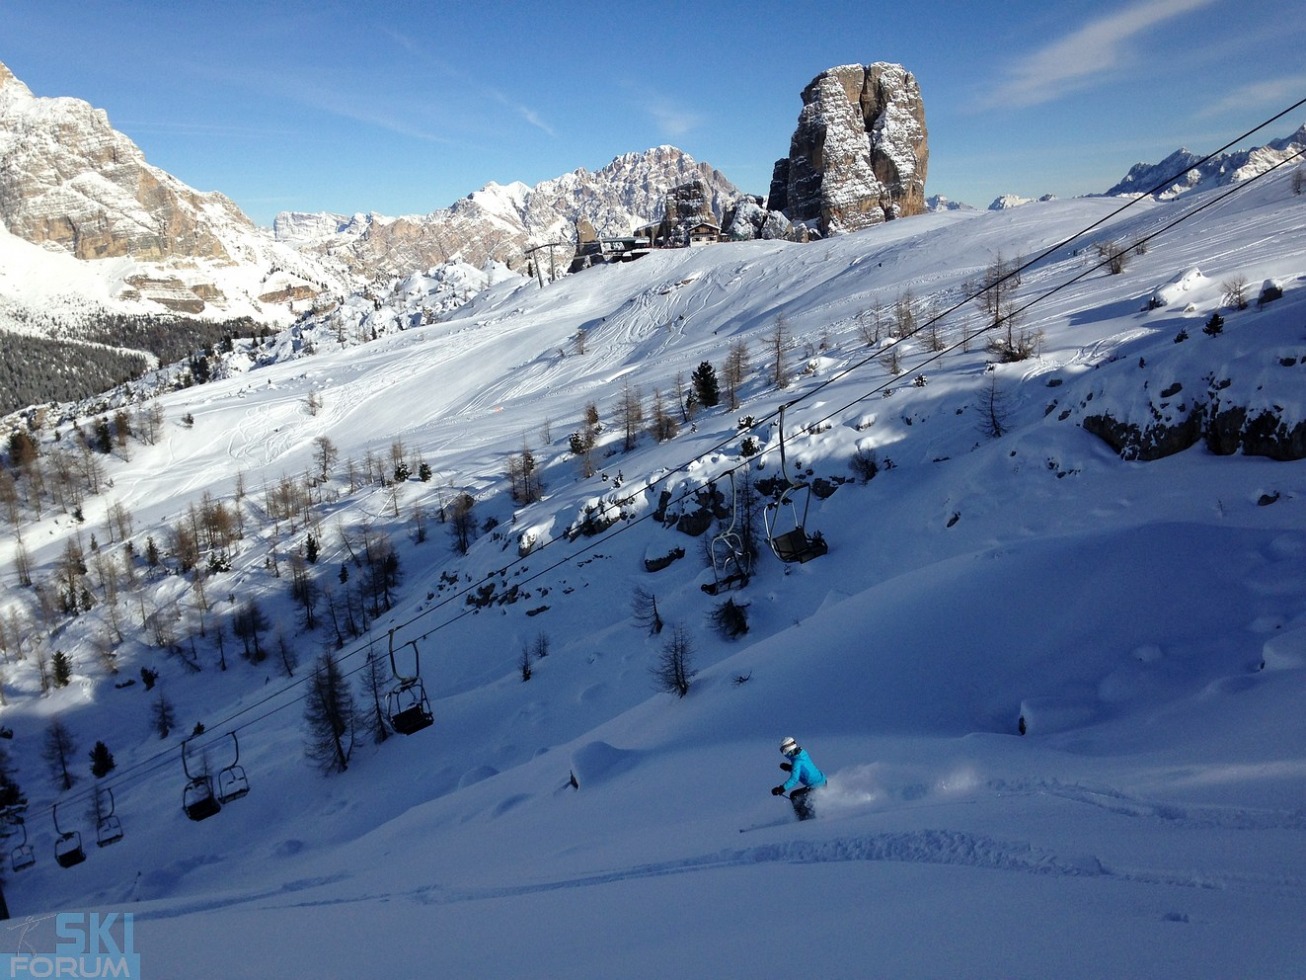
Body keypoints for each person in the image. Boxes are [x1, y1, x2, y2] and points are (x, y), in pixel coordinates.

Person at [771, 736, 826, 820]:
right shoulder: (801, 753)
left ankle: (806, 819)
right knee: (800, 796)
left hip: (817, 786)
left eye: (783, 750)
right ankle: (809, 814)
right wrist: (790, 768)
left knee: (795, 796)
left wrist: (781, 789)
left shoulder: (797, 761)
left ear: (787, 749)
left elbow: (794, 779)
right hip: (821, 781)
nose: (783, 753)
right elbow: (804, 769)